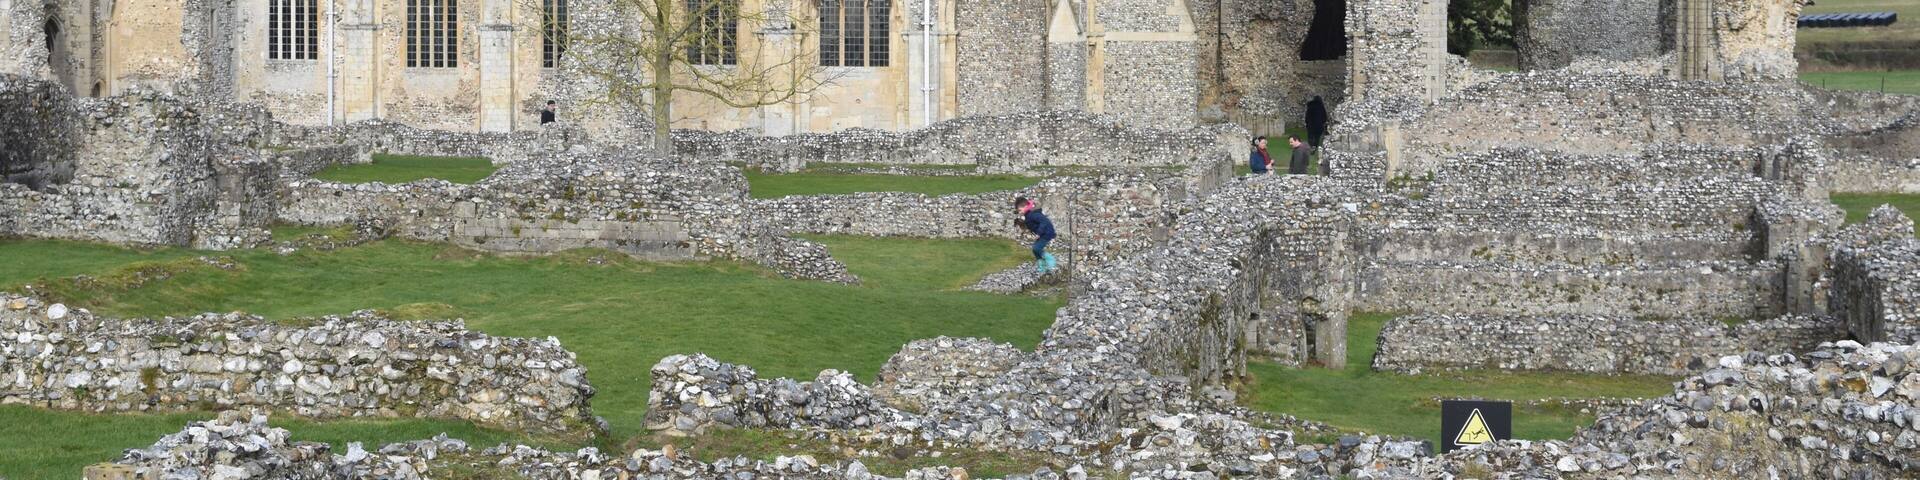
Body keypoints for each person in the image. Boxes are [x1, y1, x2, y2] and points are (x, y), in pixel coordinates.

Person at [1015, 197, 1058, 273]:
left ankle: (1050, 260)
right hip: (1042, 233)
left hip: (1046, 233)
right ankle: (1042, 266)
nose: (1019, 212)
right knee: (1035, 250)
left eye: (1019, 210)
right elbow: (1031, 223)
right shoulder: (1028, 214)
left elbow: (1044, 221)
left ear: (1025, 207)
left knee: (1037, 248)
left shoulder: (1033, 214)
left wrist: (1038, 233)